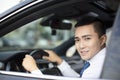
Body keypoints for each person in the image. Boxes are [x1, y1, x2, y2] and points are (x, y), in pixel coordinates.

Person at [22, 16, 107, 78]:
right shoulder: (102, 60)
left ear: (102, 40)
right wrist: (60, 61)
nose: (81, 46)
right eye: (77, 40)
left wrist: (34, 70)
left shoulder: (99, 68)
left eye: (87, 38)